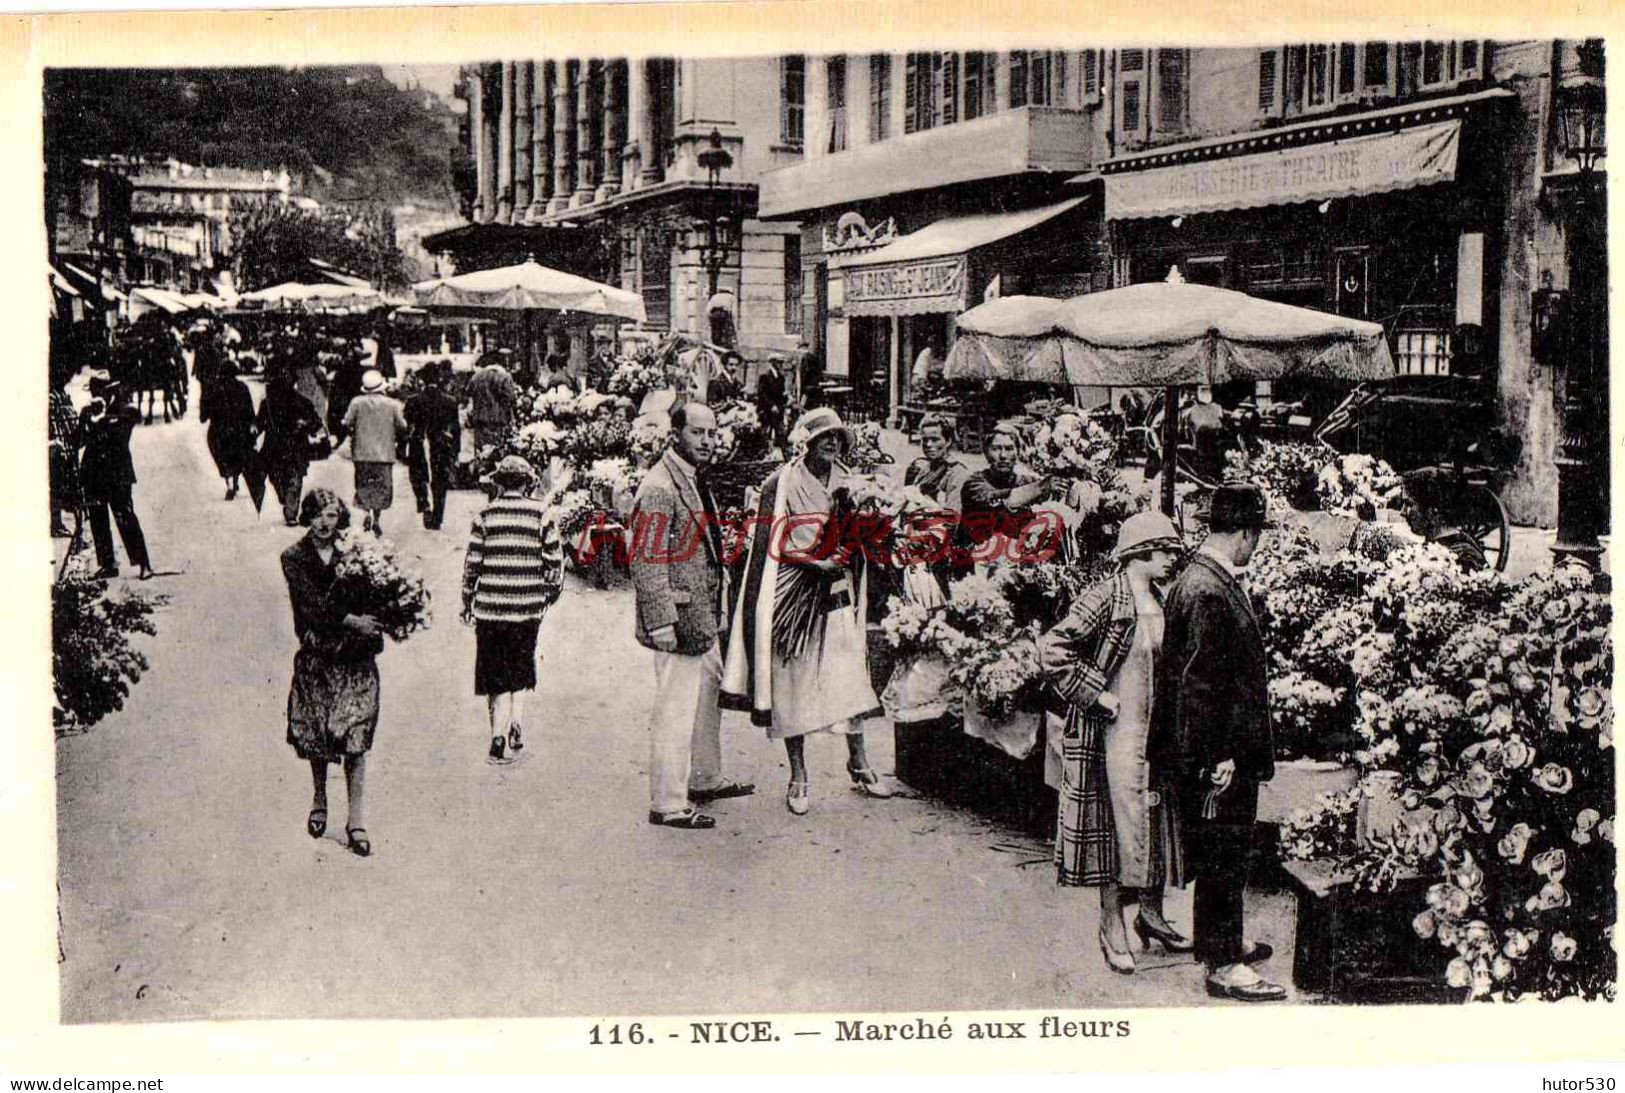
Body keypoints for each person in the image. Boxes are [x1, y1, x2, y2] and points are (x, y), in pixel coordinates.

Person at [722, 407, 894, 815]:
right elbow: (769, 544)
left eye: (836, 438)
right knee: (792, 682)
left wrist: (852, 548)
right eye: (823, 439)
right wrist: (812, 562)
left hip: (836, 591)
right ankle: (798, 774)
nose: (831, 445)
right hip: (791, 592)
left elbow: (862, 536)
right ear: (808, 443)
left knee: (848, 675)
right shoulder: (780, 483)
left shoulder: (852, 484)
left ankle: (860, 762)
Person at [1040, 511, 1190, 976]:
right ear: (1140, 553)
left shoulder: (1161, 598)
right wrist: (1097, 694)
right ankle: (1111, 924)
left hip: (1153, 729)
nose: (1171, 561)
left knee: (1154, 817)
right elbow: (1052, 648)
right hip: (1112, 732)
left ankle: (1151, 914)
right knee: (1113, 824)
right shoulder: (1106, 597)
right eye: (1165, 552)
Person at [1151, 483, 1285, 1002]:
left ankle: (1221, 939)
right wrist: (1217, 755)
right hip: (1220, 756)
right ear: (1245, 534)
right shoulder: (1208, 589)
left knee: (1225, 851)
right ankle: (1223, 963)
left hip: (1221, 751)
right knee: (1225, 853)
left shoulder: (1202, 578)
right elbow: (1199, 683)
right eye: (1256, 536)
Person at [630, 402, 755, 829]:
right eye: (698, 433)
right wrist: (661, 620)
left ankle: (705, 777)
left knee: (707, 696)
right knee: (675, 708)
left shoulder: (691, 479)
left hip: (700, 614)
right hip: (679, 617)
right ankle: (667, 802)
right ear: (675, 434)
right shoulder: (661, 486)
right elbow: (647, 558)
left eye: (712, 433)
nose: (707, 441)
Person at [281, 488, 385, 858]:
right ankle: (320, 796)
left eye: (331, 515)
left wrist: (379, 617)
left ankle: (356, 819)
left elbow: (375, 591)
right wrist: (352, 620)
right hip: (318, 656)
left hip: (354, 659)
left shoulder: (356, 549)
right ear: (306, 517)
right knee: (319, 735)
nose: (325, 523)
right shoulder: (293, 557)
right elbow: (310, 606)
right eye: (317, 515)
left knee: (357, 735)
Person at [461, 456, 566, 764]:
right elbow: (555, 562)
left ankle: (497, 735)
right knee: (520, 665)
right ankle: (517, 723)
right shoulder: (541, 513)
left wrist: (467, 600)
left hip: (491, 608)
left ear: (499, 482)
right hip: (526, 607)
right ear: (527, 482)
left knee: (494, 672)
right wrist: (550, 594)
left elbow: (472, 564)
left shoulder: (484, 515)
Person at [77, 375, 155, 580]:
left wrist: (101, 419)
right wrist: (88, 421)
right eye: (93, 392)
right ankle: (107, 563)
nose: (96, 396)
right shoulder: (88, 413)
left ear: (110, 391)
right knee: (98, 518)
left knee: (125, 516)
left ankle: (144, 563)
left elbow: (120, 438)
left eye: (100, 392)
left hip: (117, 473)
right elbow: (78, 441)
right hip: (94, 474)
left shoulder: (124, 410)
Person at [958, 422, 1058, 562]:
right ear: (986, 452)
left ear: (1018, 451)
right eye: (996, 449)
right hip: (974, 561)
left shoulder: (1026, 481)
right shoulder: (974, 483)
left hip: (1012, 560)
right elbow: (1000, 499)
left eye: (1009, 448)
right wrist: (1042, 487)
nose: (1003, 455)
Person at [341, 370, 409, 536]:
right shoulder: (392, 404)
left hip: (362, 453)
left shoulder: (357, 402)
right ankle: (376, 518)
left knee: (363, 485)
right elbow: (402, 426)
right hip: (384, 454)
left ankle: (366, 513)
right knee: (381, 488)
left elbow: (347, 422)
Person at [258, 365, 327, 527]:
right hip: (295, 448)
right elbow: (316, 424)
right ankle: (289, 506)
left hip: (275, 448)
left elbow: (259, 423)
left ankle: (290, 509)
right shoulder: (302, 402)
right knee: (293, 480)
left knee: (279, 477)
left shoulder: (269, 403)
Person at [404, 361, 461, 530]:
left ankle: (424, 504)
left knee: (418, 476)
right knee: (440, 479)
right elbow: (456, 429)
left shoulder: (413, 400)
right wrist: (456, 451)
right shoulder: (450, 401)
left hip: (419, 442)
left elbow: (407, 424)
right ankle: (437, 516)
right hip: (441, 443)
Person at [199, 362, 258, 501]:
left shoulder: (213, 388)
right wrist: (252, 427)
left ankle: (230, 481)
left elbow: (203, 416)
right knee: (238, 454)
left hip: (219, 431)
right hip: (239, 430)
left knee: (221, 453)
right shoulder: (242, 388)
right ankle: (234, 479)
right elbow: (250, 411)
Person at [464, 352, 521, 453]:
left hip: (480, 420)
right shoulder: (505, 377)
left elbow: (468, 393)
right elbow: (510, 399)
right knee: (496, 451)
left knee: (481, 452)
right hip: (498, 420)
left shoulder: (477, 376)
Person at [755, 352, 789, 454]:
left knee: (781, 432)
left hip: (778, 410)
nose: (781, 365)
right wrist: (771, 405)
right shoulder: (765, 376)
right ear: (772, 363)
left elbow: (781, 393)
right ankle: (765, 452)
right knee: (766, 432)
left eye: (781, 362)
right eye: (778, 362)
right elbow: (762, 394)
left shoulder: (781, 377)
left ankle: (782, 453)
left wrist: (786, 399)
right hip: (767, 410)